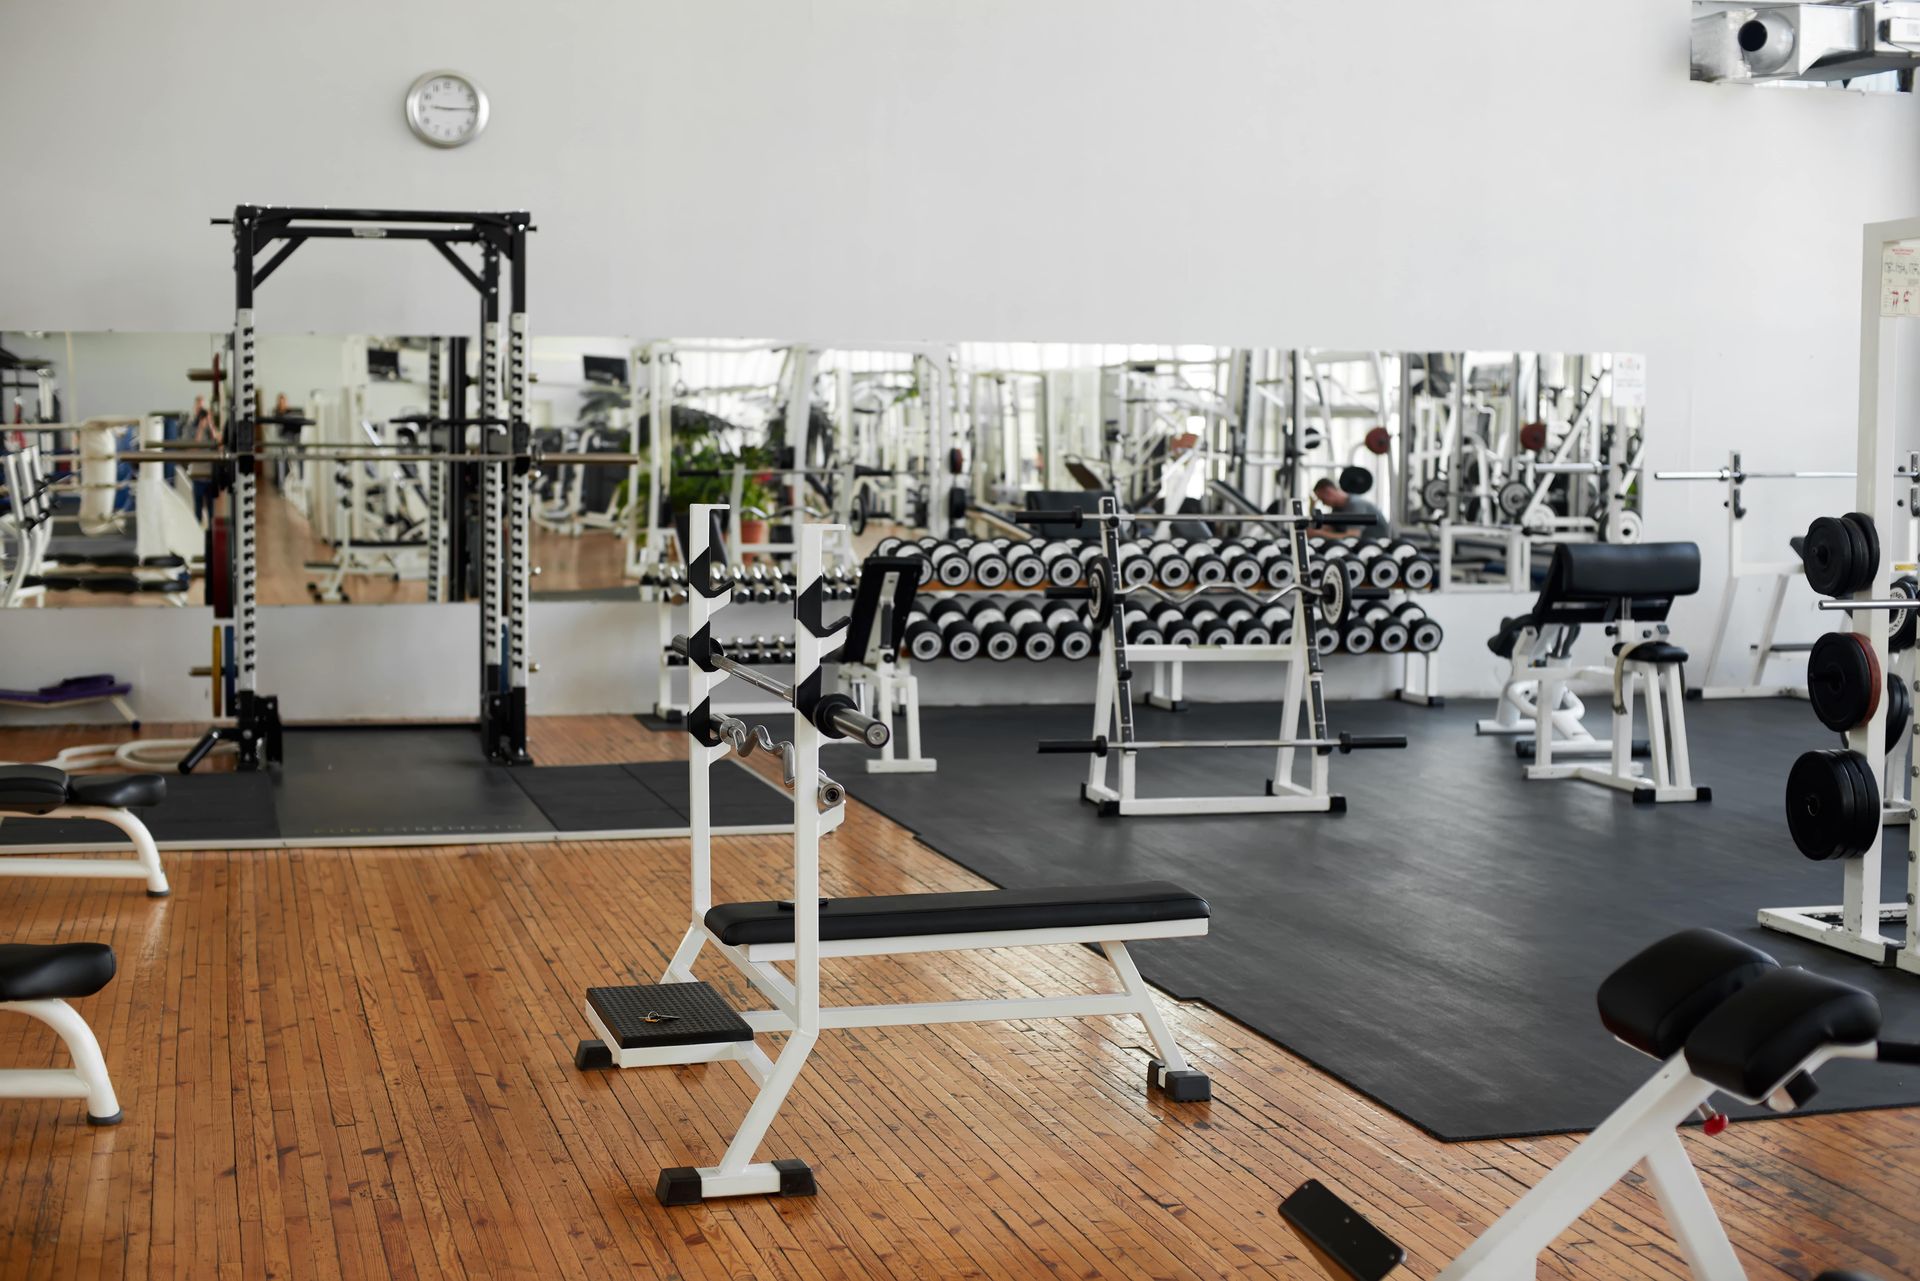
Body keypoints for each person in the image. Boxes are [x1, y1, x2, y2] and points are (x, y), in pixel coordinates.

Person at [1310, 476, 1387, 538]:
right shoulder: (1337, 509)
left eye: (1323, 500)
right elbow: (1328, 528)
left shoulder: (1356, 505)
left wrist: (1318, 534)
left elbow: (1352, 537)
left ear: (1329, 492)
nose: (1323, 504)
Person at [188, 395, 220, 525]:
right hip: (197, 475)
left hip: (211, 475)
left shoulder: (211, 427)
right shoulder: (190, 427)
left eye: (203, 408)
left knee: (213, 513)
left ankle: (212, 541)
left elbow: (219, 444)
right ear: (195, 410)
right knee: (197, 513)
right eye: (199, 408)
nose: (201, 411)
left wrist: (210, 424)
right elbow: (192, 450)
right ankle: (198, 540)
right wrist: (200, 429)